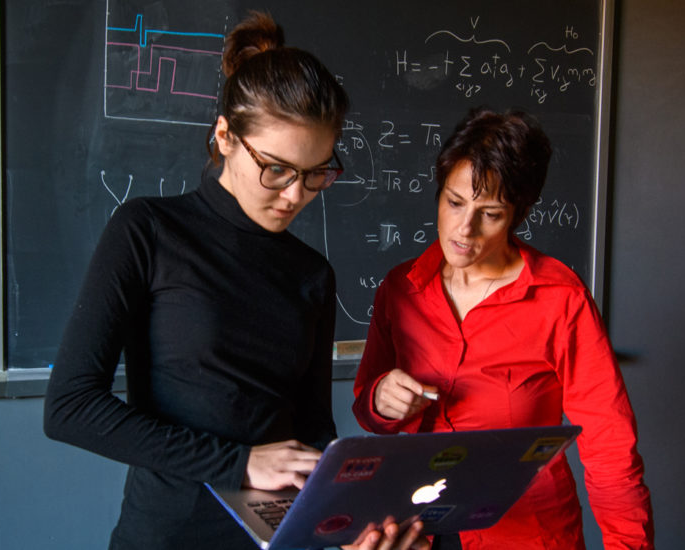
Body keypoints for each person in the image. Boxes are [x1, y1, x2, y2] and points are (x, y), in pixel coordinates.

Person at [44, 12, 427, 550]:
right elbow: (71, 407)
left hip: (284, 537)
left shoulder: (313, 274)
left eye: (317, 172)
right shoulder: (147, 231)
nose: (295, 195)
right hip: (170, 534)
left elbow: (315, 433)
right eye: (276, 168)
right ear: (225, 136)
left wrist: (344, 525)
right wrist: (240, 462)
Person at [352, 107, 654, 549]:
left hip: (524, 534)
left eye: (489, 213)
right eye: (454, 203)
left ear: (518, 213)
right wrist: (380, 399)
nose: (464, 229)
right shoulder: (402, 288)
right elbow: (367, 409)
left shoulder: (560, 299)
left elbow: (611, 449)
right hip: (416, 530)